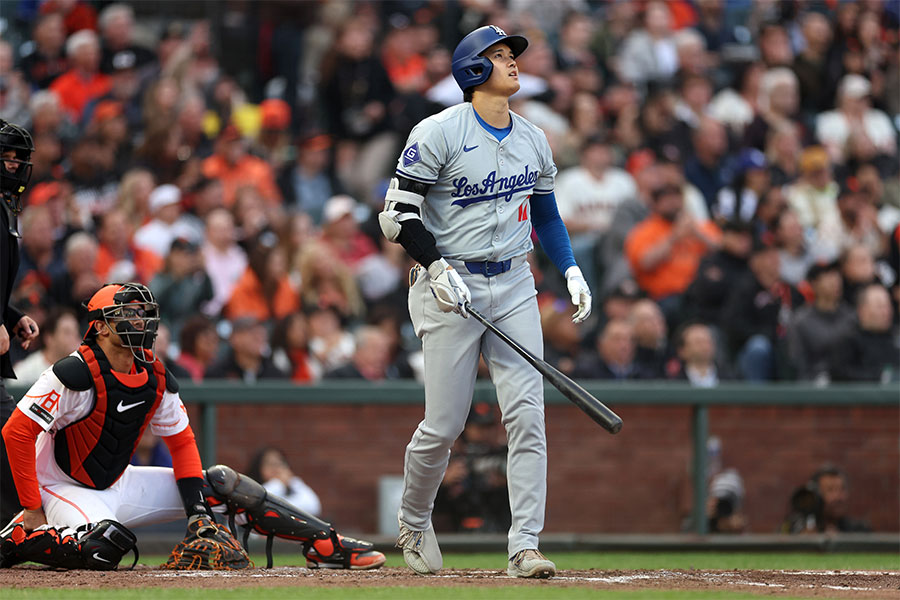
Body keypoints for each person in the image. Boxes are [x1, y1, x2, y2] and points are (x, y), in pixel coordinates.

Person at [381, 26, 591, 579]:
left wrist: (569, 266)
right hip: (451, 286)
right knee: (444, 424)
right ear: (474, 70)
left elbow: (546, 214)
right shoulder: (437, 132)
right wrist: (435, 264)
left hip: (516, 283)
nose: (512, 63)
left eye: (512, 55)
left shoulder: (533, 137)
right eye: (499, 56)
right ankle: (414, 516)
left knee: (527, 416)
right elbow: (396, 215)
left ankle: (524, 545)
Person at [0, 282, 384, 571]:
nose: (140, 322)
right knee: (104, 545)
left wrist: (198, 511)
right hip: (60, 487)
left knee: (220, 483)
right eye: (128, 316)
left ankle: (325, 543)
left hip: (118, 482)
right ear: (100, 327)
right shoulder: (74, 371)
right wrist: (33, 507)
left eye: (144, 313)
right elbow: (16, 433)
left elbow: (182, 443)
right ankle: (19, 537)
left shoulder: (155, 374)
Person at [1, 120, 41, 526]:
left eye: (17, 158)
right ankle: (18, 526)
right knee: (9, 432)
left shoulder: (6, 207)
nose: (13, 166)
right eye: (5, 157)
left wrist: (10, 317)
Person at [786, 260, 855, 382]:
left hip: (850, 384)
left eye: (836, 275)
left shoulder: (852, 317)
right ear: (814, 284)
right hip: (815, 385)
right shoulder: (800, 321)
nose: (835, 281)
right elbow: (798, 363)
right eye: (828, 276)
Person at [782, 464, 871, 534]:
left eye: (842, 489)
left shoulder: (859, 530)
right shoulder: (794, 527)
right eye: (830, 490)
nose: (838, 497)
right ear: (816, 495)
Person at [12, 308, 80, 387]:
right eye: (67, 332)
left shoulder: (81, 369)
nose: (74, 337)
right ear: (49, 338)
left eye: (76, 332)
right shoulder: (27, 371)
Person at [246, 447, 321, 517]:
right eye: (270, 464)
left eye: (280, 464)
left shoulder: (291, 487)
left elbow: (313, 507)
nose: (276, 469)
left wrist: (293, 481)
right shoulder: (252, 490)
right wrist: (278, 483)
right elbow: (261, 503)